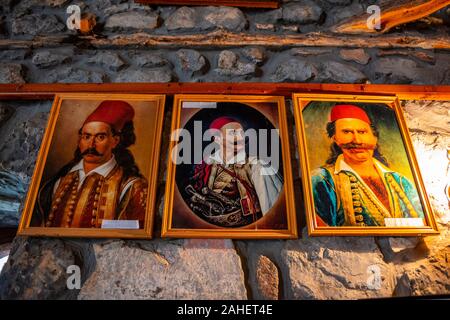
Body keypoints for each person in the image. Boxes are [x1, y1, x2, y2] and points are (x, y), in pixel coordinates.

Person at [34, 100, 148, 228]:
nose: (91, 145)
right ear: (80, 140)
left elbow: (139, 228)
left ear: (115, 141)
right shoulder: (57, 182)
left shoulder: (133, 187)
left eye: (100, 137)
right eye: (87, 137)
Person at [311, 104, 424, 227]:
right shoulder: (322, 180)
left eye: (362, 132)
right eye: (347, 132)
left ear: (374, 138)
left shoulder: (402, 182)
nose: (357, 140)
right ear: (335, 138)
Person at [185, 116, 283, 227]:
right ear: (217, 139)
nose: (240, 137)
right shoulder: (205, 166)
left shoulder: (258, 166)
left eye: (241, 133)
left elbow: (271, 212)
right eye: (233, 133)